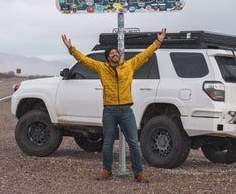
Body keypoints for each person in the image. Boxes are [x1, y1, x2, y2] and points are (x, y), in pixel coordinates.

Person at [61, 28, 167, 183]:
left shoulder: (129, 66)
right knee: (108, 142)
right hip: (109, 111)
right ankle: (106, 170)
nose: (115, 54)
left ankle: (139, 173)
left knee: (133, 143)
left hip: (126, 110)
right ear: (108, 57)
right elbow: (84, 60)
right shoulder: (101, 68)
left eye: (116, 53)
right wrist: (71, 48)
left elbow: (145, 55)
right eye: (112, 53)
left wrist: (158, 41)